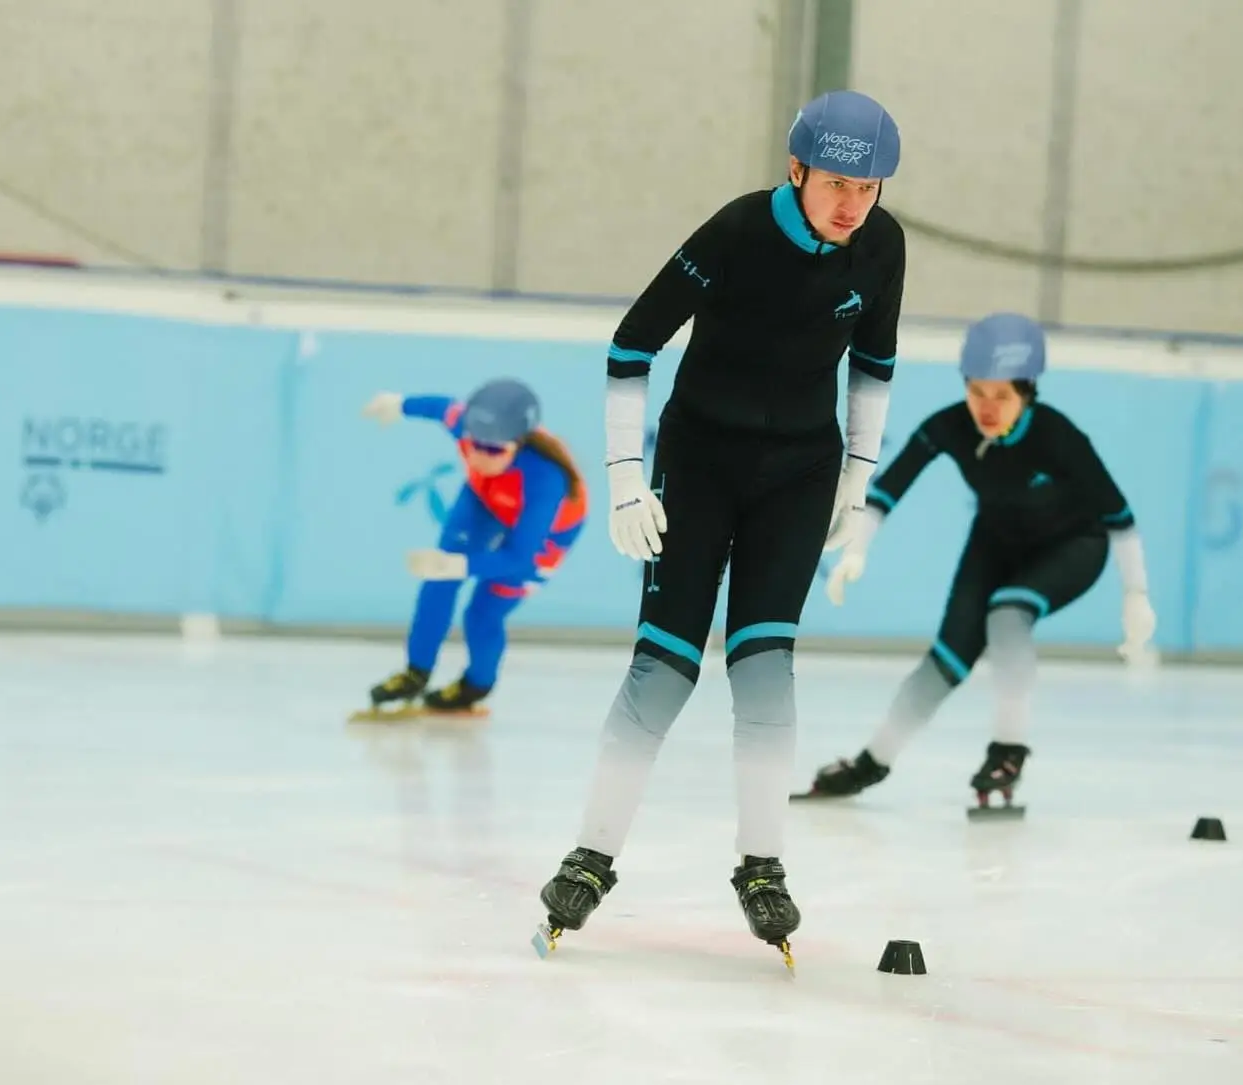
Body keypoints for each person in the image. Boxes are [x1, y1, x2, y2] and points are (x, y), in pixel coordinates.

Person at [534, 90, 907, 966]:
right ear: (797, 169)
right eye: (839, 183)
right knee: (662, 670)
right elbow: (632, 346)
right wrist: (628, 478)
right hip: (699, 465)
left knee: (765, 668)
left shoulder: (883, 245)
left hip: (801, 474)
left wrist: (857, 475)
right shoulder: (737, 232)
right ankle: (590, 857)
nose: (854, 203)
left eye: (873, 186)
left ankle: (762, 865)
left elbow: (876, 362)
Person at [794, 312, 1158, 808]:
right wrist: (857, 548)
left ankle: (1008, 752)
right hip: (996, 539)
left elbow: (1120, 519)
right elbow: (886, 492)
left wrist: (1136, 596)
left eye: (1002, 396)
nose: (986, 408)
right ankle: (870, 764)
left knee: (1008, 613)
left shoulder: (1059, 437)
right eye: (977, 392)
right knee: (944, 659)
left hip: (1074, 545)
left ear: (1028, 392)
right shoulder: (949, 426)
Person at [358, 378, 587, 716]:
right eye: (473, 444)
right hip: (486, 499)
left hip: (545, 534)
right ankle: (415, 672)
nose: (479, 455)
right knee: (438, 580)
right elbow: (441, 407)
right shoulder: (467, 425)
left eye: (494, 450)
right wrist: (398, 403)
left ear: (519, 443)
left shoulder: (546, 479)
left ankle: (475, 685)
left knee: (482, 613)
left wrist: (460, 566)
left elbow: (520, 560)